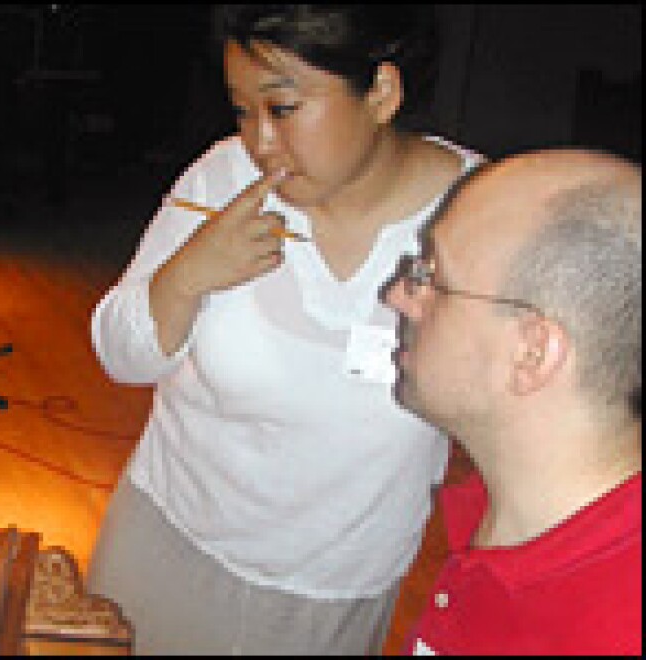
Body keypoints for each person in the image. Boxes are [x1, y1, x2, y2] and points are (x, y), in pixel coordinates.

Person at [88, 5, 482, 654]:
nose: (259, 142)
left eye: (283, 109)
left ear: (382, 92)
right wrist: (184, 277)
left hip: (338, 588)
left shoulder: (481, 211)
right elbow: (119, 354)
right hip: (171, 542)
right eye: (243, 111)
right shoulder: (223, 178)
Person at [383, 149, 642, 655]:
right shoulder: (490, 505)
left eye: (432, 278)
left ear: (532, 353)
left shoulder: (612, 631)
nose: (399, 295)